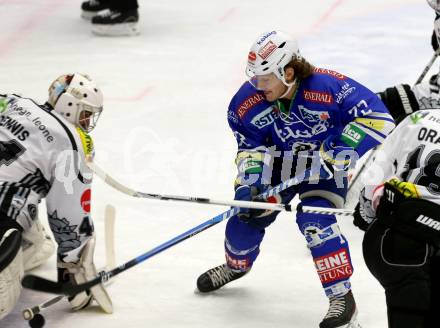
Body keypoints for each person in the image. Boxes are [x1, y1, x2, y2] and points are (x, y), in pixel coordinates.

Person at [196, 30, 395, 328]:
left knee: (317, 224)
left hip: (324, 169)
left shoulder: (329, 87)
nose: (258, 86)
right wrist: (250, 184)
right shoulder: (246, 103)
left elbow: (379, 118)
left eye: (265, 78)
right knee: (245, 218)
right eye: (255, 78)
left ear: (288, 72)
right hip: (277, 166)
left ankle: (343, 299)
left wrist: (343, 149)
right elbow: (250, 148)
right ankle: (236, 266)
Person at [0, 73, 112, 319]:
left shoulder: (12, 101)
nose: (88, 120)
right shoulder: (72, 142)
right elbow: (70, 214)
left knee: (39, 242)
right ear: (70, 106)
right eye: (86, 113)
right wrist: (74, 270)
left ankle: (27, 243)